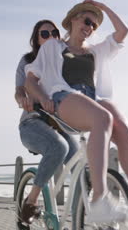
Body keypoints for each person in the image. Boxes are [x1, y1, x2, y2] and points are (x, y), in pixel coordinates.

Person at [24, 0, 128, 229]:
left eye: (94, 24)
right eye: (86, 20)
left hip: (90, 99)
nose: (90, 27)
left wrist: (103, 7)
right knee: (103, 118)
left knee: (122, 126)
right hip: (63, 98)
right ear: (73, 19)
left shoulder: (96, 51)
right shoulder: (53, 47)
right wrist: (43, 98)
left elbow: (123, 31)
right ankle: (99, 200)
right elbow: (30, 80)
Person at [15, 20, 79, 224]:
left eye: (54, 32)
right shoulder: (27, 61)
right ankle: (31, 201)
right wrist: (23, 100)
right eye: (44, 33)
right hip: (32, 123)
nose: (50, 36)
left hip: (59, 123)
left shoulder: (62, 60)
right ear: (36, 39)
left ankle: (83, 214)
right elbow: (20, 89)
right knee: (58, 147)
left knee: (79, 162)